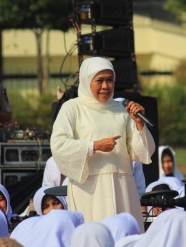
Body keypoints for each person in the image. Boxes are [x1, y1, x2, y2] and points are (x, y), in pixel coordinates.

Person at [50, 57, 155, 230]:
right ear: (86, 81)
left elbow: (143, 152)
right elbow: (58, 145)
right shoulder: (72, 108)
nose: (105, 86)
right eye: (99, 80)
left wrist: (139, 124)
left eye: (110, 80)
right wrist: (93, 146)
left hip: (123, 188)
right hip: (90, 191)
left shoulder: (122, 109)